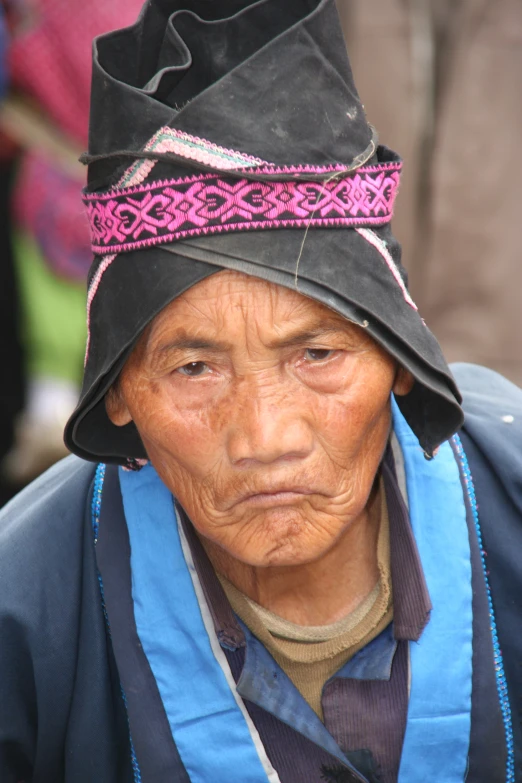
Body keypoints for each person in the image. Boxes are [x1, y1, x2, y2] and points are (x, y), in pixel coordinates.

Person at [0, 2, 520, 782]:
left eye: (316, 353)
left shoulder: (509, 500)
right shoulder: (26, 611)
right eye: (194, 368)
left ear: (401, 358)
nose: (265, 435)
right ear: (118, 395)